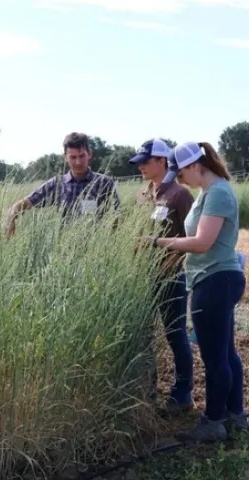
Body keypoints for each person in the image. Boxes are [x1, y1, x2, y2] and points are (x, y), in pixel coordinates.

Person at [143, 141, 248, 443]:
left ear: (194, 166)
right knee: (226, 352)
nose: (179, 180)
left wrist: (156, 242)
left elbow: (202, 242)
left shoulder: (217, 193)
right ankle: (235, 415)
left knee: (215, 358)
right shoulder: (210, 192)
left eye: (180, 173)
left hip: (214, 280)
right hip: (213, 278)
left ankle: (213, 421)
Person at [129, 138, 194, 414]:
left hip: (171, 278)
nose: (141, 166)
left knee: (175, 334)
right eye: (140, 162)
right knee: (144, 336)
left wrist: (171, 262)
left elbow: (192, 239)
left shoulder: (180, 196)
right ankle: (148, 390)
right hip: (142, 278)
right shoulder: (141, 195)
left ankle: (182, 394)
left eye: (146, 161)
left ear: (162, 161)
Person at [4, 132, 120, 238]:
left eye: (82, 156)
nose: (78, 162)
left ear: (89, 154)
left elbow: (117, 215)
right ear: (65, 158)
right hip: (63, 253)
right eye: (73, 157)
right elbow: (26, 202)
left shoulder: (105, 183)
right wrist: (11, 216)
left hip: (95, 251)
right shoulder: (57, 184)